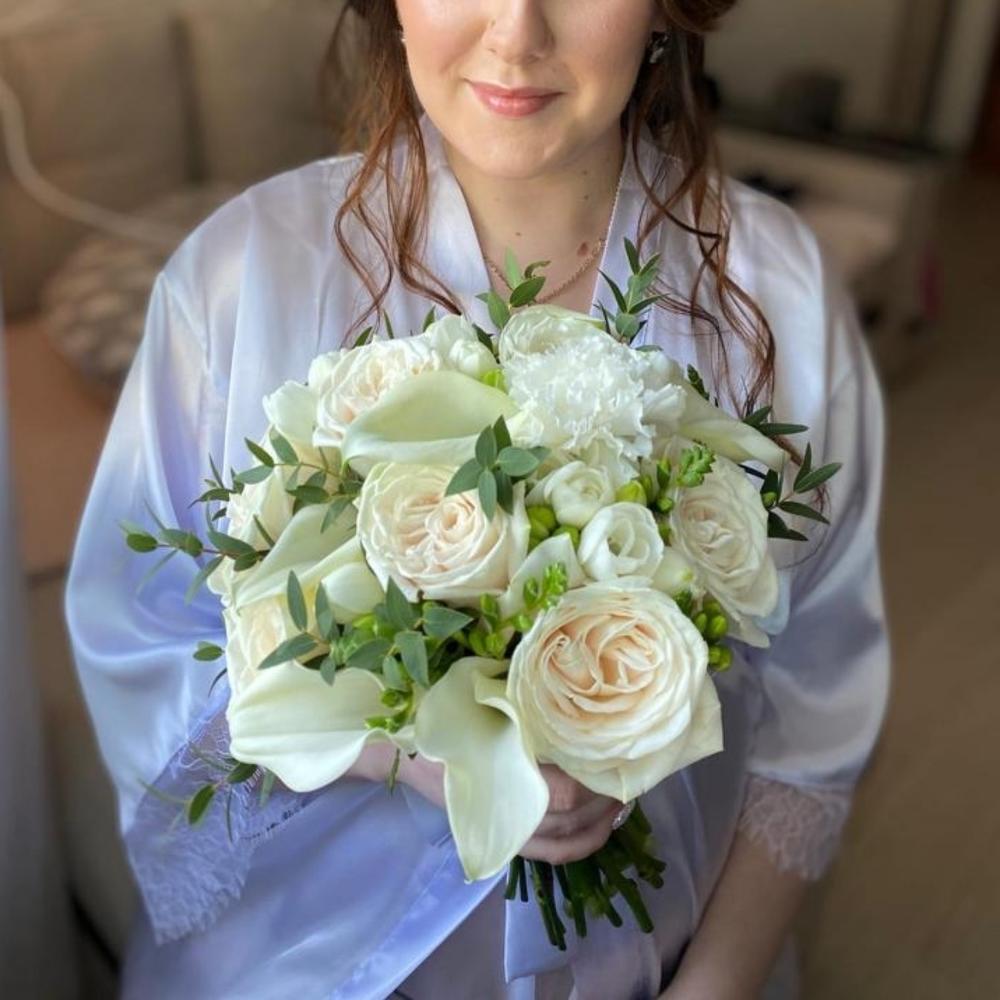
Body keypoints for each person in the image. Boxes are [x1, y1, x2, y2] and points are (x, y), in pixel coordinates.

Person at [65, 2, 890, 997]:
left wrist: (708, 987)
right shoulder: (239, 281)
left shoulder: (778, 295)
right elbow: (145, 644)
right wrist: (401, 746)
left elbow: (815, 716)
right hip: (303, 958)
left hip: (653, 955)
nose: (516, 32)